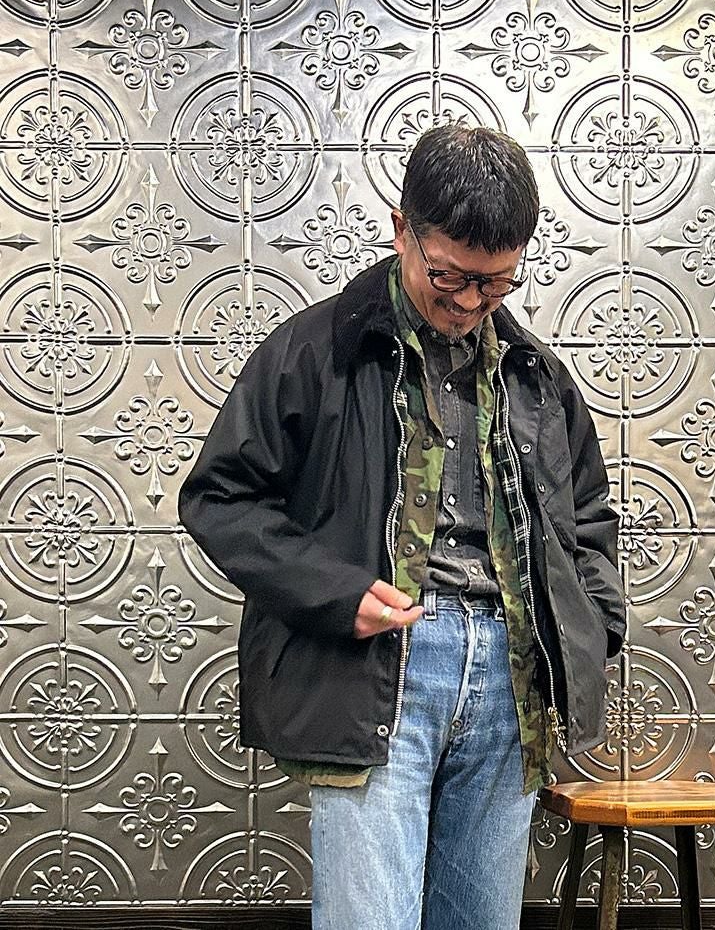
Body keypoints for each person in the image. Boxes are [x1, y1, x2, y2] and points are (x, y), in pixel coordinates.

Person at [177, 123, 626, 930]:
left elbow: (587, 518)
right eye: (447, 275)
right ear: (401, 230)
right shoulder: (315, 352)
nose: (468, 303)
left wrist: (593, 626)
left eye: (495, 283)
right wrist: (334, 592)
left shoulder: (537, 376)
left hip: (511, 679)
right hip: (376, 670)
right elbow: (220, 498)